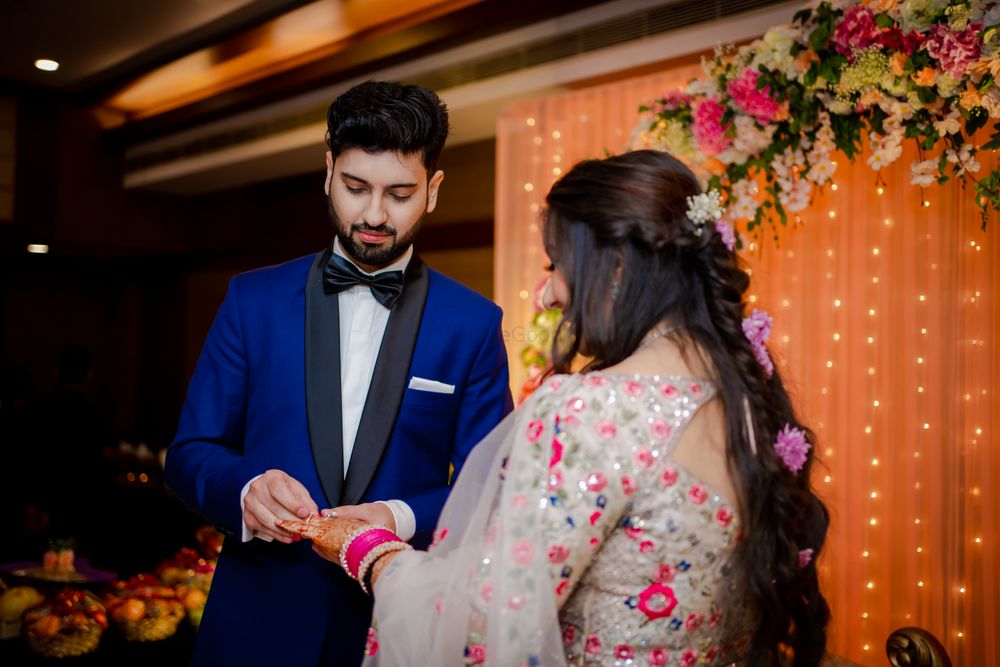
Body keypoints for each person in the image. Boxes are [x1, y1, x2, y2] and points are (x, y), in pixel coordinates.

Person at [282, 150, 832, 666]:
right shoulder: (748, 402)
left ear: (616, 269)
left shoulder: (591, 409)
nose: (546, 296)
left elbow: (483, 629)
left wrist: (371, 552)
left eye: (558, 266)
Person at [163, 81, 513, 666]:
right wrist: (246, 490)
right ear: (328, 172)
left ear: (433, 190)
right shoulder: (252, 299)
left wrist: (396, 518)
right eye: (355, 188)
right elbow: (190, 452)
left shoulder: (473, 323)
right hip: (258, 620)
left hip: (395, 623)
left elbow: (492, 488)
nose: (374, 215)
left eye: (399, 194)